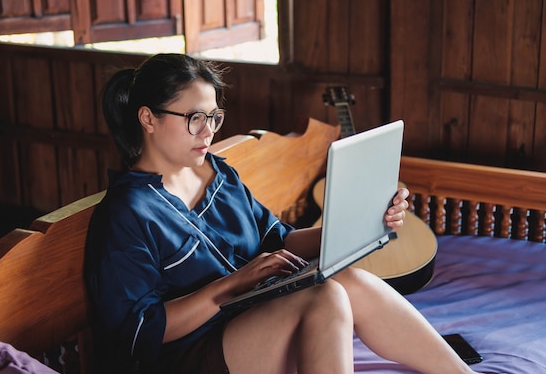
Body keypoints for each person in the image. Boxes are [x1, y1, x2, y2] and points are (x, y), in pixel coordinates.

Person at [84, 53, 504, 374]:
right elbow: (137, 333)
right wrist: (230, 286)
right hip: (191, 353)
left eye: (213, 117)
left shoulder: (219, 175)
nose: (209, 131)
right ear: (148, 119)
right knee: (323, 297)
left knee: (347, 279)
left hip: (254, 317)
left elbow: (280, 239)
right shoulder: (126, 213)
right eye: (194, 118)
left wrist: (361, 223)